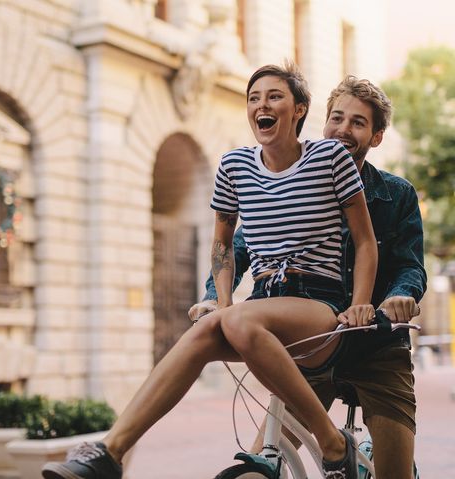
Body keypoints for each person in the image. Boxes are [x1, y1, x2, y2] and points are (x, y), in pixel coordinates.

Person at [41, 63, 378, 479]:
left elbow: (364, 240)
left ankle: (331, 441)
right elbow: (222, 244)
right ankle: (110, 453)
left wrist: (360, 304)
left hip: (319, 307)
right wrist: (221, 303)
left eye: (274, 96)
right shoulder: (234, 167)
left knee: (234, 317)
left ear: (299, 109)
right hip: (262, 305)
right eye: (253, 98)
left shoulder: (329, 157)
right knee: (203, 332)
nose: (262, 105)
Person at [190, 76, 427, 479]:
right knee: (263, 456)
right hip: (311, 345)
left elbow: (409, 265)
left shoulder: (396, 193)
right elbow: (239, 249)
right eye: (337, 118)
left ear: (377, 137)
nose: (343, 130)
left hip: (376, 346)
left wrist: (398, 297)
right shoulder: (299, 182)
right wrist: (216, 298)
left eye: (357, 123)